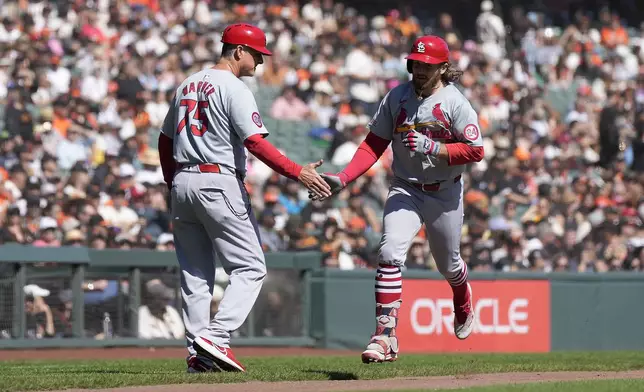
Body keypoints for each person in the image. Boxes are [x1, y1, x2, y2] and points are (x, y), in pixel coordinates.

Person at [157, 23, 331, 373]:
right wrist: (299, 172)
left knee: (195, 273)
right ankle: (217, 337)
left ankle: (197, 352)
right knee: (251, 267)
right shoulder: (233, 87)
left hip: (183, 181)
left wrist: (171, 182)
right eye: (256, 54)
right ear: (238, 51)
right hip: (218, 180)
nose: (261, 62)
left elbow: (164, 140)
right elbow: (254, 142)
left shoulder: (187, 83)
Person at [311, 36, 484, 363]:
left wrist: (435, 148)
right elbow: (374, 143)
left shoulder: (456, 103)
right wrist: (344, 178)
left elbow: (476, 150)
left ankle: (462, 295)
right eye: (416, 63)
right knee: (389, 253)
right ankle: (385, 335)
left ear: (443, 68)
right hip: (406, 186)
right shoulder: (397, 96)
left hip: (445, 192)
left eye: (427, 65)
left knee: (448, 265)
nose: (419, 69)